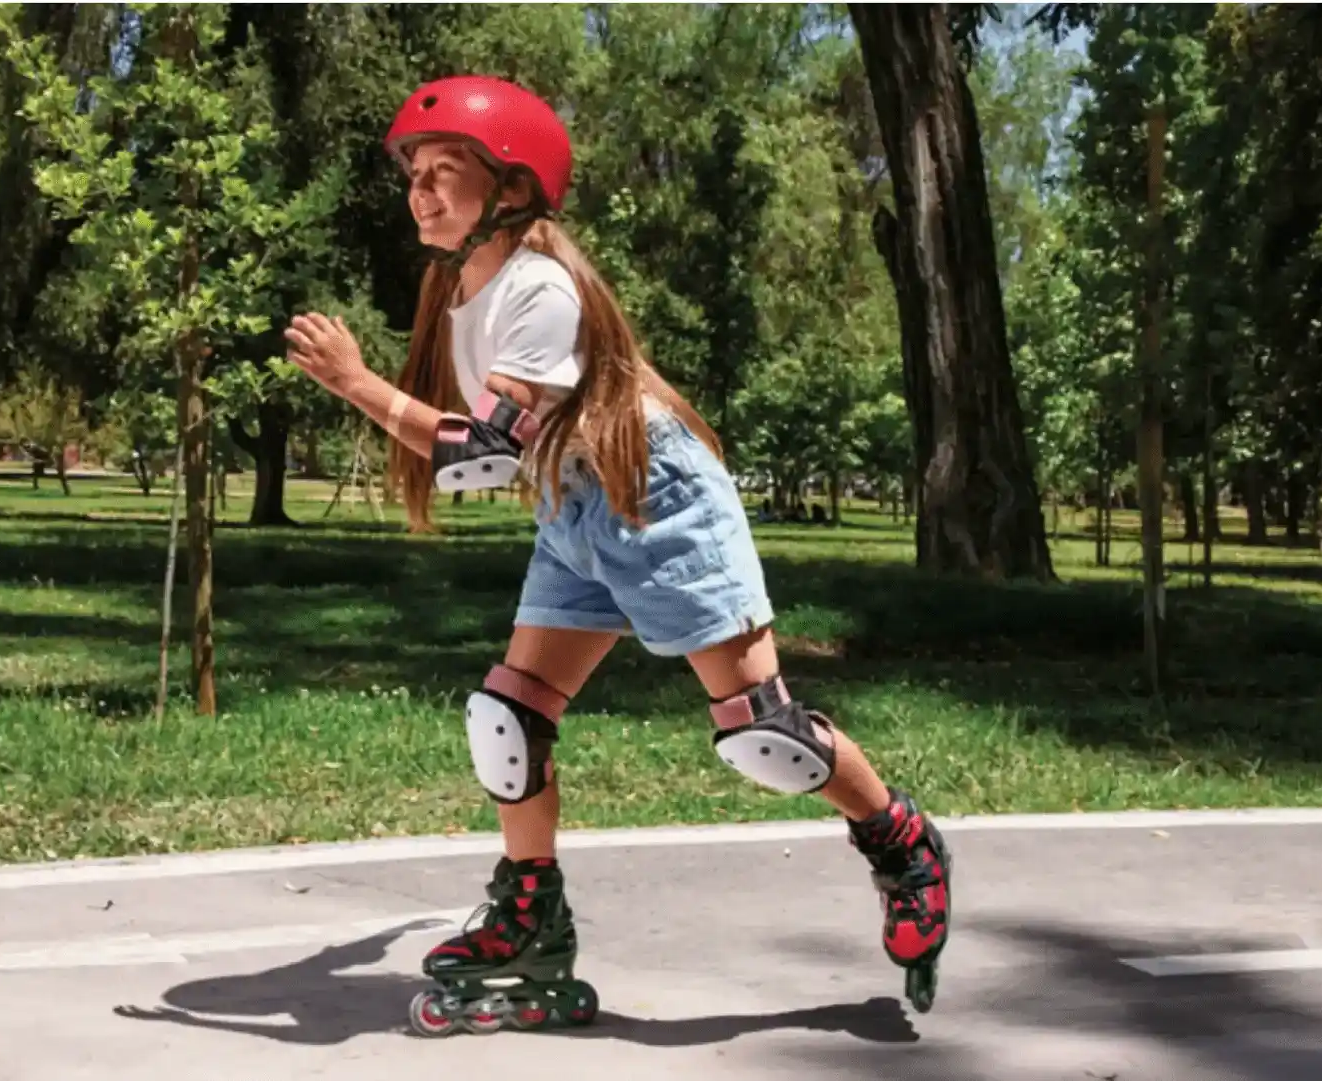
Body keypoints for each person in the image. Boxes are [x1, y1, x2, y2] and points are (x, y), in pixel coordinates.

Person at [282, 75, 952, 1034]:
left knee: (761, 733)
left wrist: (357, 384)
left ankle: (901, 842)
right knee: (508, 716)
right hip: (572, 502)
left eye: (444, 174)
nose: (420, 193)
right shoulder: (460, 280)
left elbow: (482, 453)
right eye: (415, 176)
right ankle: (530, 914)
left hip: (655, 496)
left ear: (510, 191)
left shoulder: (542, 288)